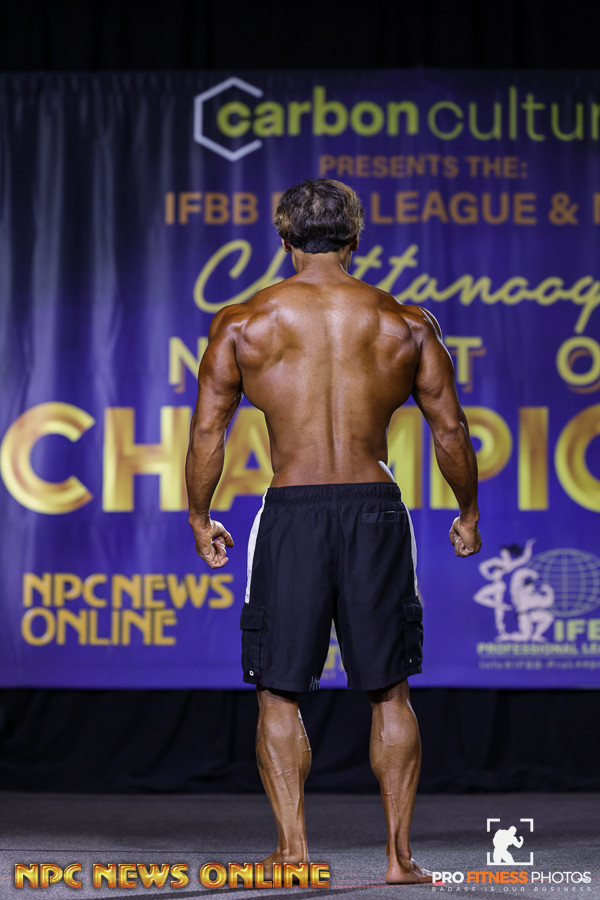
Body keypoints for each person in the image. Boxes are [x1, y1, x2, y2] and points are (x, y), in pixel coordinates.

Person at [185, 178, 481, 885]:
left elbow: (207, 433)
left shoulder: (243, 322)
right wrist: (467, 512)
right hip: (375, 509)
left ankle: (293, 853)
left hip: (292, 511)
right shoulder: (405, 323)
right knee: (391, 690)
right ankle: (399, 859)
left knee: (278, 690)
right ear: (355, 240)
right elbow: (450, 430)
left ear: (284, 239)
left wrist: (199, 516)